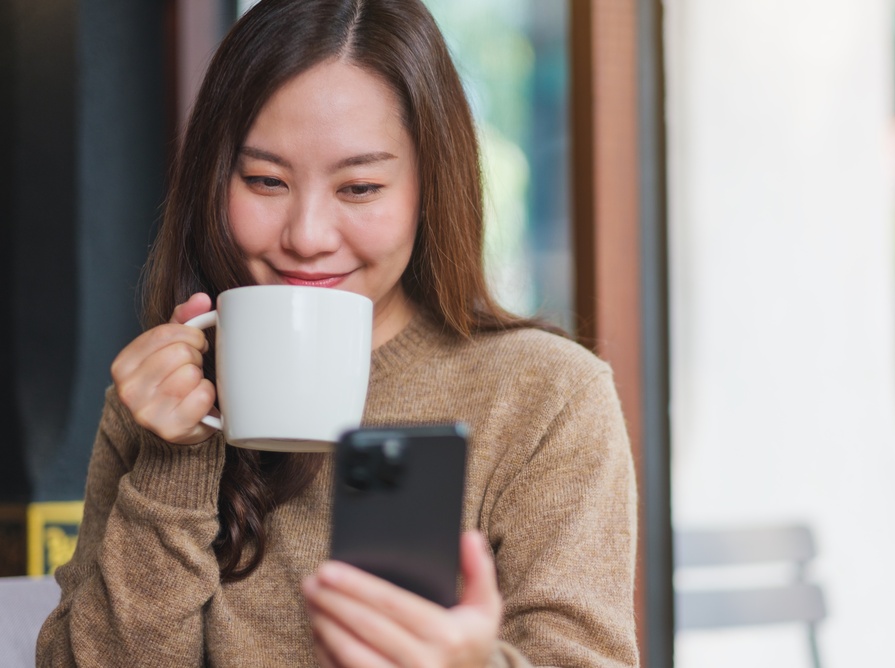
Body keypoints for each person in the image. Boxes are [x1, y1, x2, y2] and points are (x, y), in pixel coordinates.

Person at [35, 0, 638, 665]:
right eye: (265, 180)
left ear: (428, 187)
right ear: (214, 180)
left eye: (359, 187)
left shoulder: (546, 396)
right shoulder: (160, 393)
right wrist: (174, 463)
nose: (307, 237)